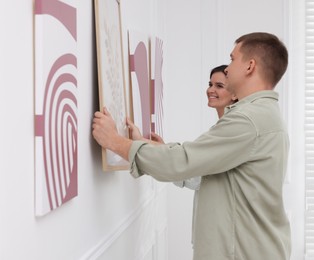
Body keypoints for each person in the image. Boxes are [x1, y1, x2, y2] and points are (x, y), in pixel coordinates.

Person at [92, 32, 291, 260]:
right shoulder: (263, 115)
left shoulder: (248, 119)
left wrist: (115, 141)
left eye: (233, 59)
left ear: (250, 66)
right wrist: (141, 145)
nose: (228, 68)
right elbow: (200, 165)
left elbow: (183, 162)